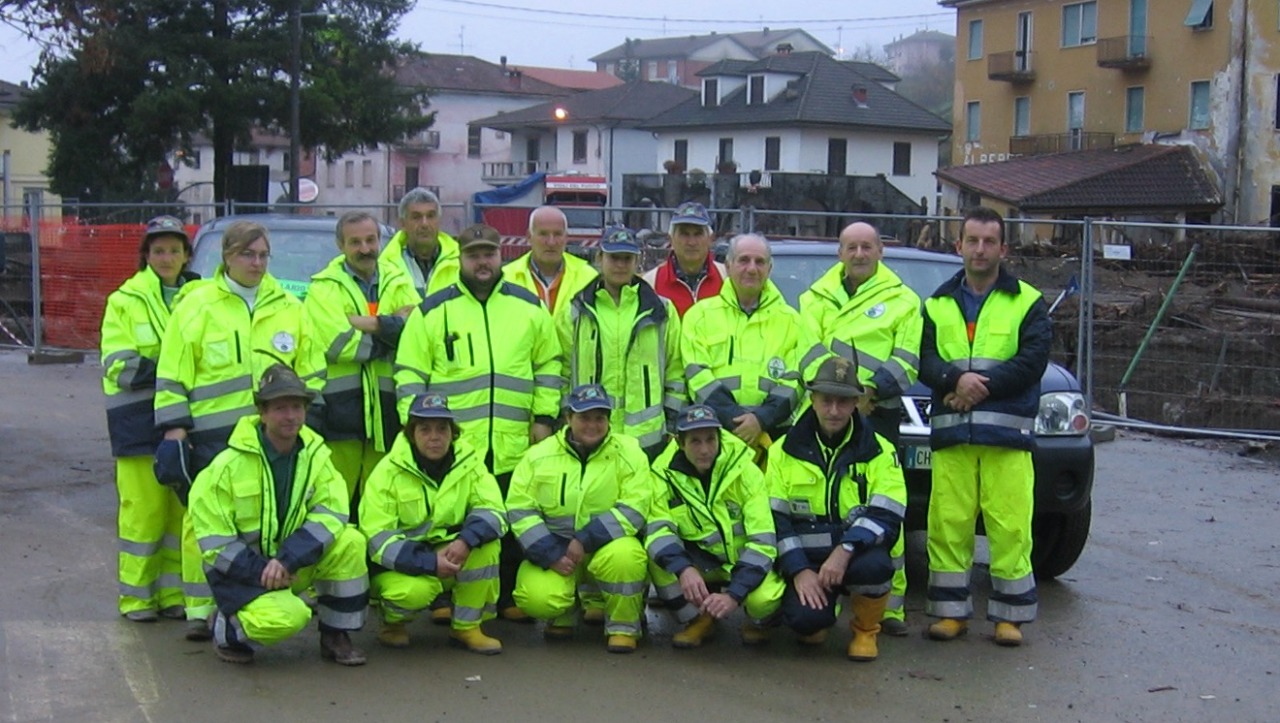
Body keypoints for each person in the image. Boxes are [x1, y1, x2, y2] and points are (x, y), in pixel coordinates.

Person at [154, 219, 325, 640]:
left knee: (264, 518)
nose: (257, 262)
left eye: (264, 255)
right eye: (248, 254)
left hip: (269, 437)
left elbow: (313, 372)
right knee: (204, 522)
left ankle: (259, 591)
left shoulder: (290, 307)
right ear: (227, 257)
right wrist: (175, 429)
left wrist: (304, 424)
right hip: (213, 436)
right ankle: (201, 609)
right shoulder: (196, 306)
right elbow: (173, 372)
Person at [395, 223, 561, 621]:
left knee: (507, 521)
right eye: (474, 255)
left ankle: (503, 598)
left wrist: (544, 417)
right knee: (446, 521)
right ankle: (441, 597)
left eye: (489, 254)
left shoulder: (528, 306)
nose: (482, 262)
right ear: (460, 260)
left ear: (500, 255)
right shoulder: (433, 310)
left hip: (512, 439)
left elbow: (549, 364)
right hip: (451, 446)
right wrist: (416, 428)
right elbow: (409, 373)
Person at [920, 206, 1050, 647]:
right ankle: (950, 613)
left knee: (1010, 525)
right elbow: (926, 360)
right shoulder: (936, 303)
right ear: (958, 246)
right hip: (953, 434)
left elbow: (1032, 362)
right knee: (948, 523)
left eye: (988, 241)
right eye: (972, 241)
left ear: (1003, 248)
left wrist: (977, 388)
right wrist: (952, 380)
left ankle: (1009, 617)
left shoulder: (1028, 301)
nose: (979, 249)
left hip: (1007, 436)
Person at [188, 365, 368, 666]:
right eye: (280, 408)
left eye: (297, 407)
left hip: (291, 565)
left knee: (350, 540)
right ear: (262, 412)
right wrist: (264, 570)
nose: (290, 416)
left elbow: (333, 512)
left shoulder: (317, 457)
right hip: (243, 574)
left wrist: (287, 560)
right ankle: (227, 629)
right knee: (290, 618)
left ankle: (336, 634)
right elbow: (214, 542)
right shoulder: (225, 467)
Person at [798, 220, 922, 636]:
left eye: (867, 247)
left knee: (885, 505)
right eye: (851, 247)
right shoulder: (813, 298)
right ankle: (819, 597)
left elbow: (906, 358)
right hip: (827, 407)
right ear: (840, 252)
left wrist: (868, 392)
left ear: (880, 252)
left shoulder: (904, 300)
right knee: (821, 503)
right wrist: (839, 395)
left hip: (878, 411)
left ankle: (890, 607)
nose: (859, 254)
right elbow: (807, 350)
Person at [765, 356, 907, 662]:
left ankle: (866, 630)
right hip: (808, 560)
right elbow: (775, 520)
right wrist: (800, 570)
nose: (833, 410)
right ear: (812, 399)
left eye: (843, 402)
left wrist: (844, 551)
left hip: (855, 555)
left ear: (856, 403)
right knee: (806, 625)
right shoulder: (781, 451)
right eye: (826, 400)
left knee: (876, 568)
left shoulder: (881, 451)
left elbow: (888, 515)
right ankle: (819, 617)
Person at [505, 384, 656, 654]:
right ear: (568, 418)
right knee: (537, 599)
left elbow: (636, 507)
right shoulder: (538, 455)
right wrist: (550, 552)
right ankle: (564, 613)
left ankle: (623, 627)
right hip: (557, 549)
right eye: (584, 417)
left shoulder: (630, 452)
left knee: (627, 557)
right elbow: (519, 509)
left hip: (607, 547)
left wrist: (586, 539)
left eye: (600, 418)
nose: (592, 425)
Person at [100, 215, 199, 623]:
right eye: (158, 250)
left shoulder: (201, 296)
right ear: (146, 255)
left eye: (174, 250)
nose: (167, 257)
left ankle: (172, 595)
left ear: (186, 254)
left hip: (186, 420)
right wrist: (174, 369)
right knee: (143, 512)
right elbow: (118, 366)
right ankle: (138, 599)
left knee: (179, 513)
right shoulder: (124, 300)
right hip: (137, 423)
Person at [359, 393, 507, 654]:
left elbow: (494, 511)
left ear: (453, 432)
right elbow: (377, 539)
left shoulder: (470, 462)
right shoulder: (386, 472)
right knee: (412, 592)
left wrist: (465, 540)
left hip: (452, 554)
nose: (434, 436)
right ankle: (393, 625)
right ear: (410, 434)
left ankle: (466, 627)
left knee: (487, 546)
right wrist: (429, 561)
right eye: (424, 429)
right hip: (403, 566)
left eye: (442, 428)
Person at [646, 404, 782, 648]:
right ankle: (699, 619)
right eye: (695, 442)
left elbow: (763, 542)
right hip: (700, 563)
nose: (705, 449)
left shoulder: (746, 471)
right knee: (657, 560)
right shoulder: (661, 475)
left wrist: (734, 594)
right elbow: (658, 531)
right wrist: (683, 568)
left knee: (764, 601)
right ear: (679, 443)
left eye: (711, 439)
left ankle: (760, 622)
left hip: (743, 560)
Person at [304, 211, 419, 499]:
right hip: (340, 414)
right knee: (334, 500)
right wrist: (390, 330)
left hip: (388, 412)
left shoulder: (399, 279)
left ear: (380, 241)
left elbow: (417, 330)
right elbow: (338, 344)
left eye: (370, 240)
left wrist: (362, 322)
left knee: (381, 501)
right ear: (340, 245)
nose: (365, 249)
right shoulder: (323, 287)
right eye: (355, 242)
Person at [681, 233, 824, 452]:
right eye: (744, 260)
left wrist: (761, 420)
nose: (752, 268)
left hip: (773, 438)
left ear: (769, 268)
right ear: (728, 266)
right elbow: (696, 376)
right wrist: (737, 420)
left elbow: (795, 379)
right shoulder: (699, 316)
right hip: (714, 436)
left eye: (759, 262)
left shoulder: (793, 320)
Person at [558, 225, 684, 460]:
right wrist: (568, 418)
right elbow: (562, 369)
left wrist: (672, 423)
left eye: (627, 258)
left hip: (647, 439)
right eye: (614, 257)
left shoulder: (661, 311)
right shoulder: (576, 311)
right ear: (599, 258)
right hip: (589, 435)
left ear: (637, 261)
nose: (620, 265)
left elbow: (675, 370)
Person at [502, 205, 598, 316]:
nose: (551, 242)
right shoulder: (506, 278)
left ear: (566, 237)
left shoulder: (588, 277)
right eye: (543, 234)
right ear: (529, 237)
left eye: (557, 234)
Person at [641, 201, 726, 317]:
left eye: (698, 234)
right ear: (671, 239)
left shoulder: (726, 277)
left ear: (710, 239)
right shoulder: (651, 283)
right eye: (684, 234)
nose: (691, 242)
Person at [381, 187, 460, 299]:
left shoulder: (460, 262)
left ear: (439, 220)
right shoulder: (385, 266)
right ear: (402, 223)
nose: (424, 224)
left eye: (431, 216)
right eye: (416, 217)